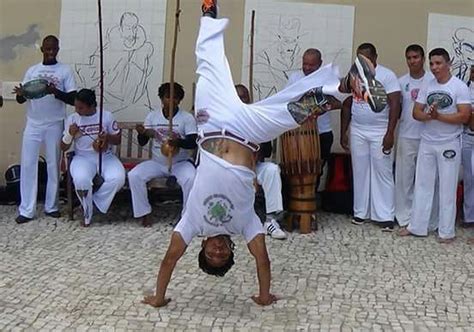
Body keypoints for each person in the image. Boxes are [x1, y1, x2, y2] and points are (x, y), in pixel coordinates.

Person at [142, 0, 383, 308]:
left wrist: (159, 297)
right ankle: (349, 84)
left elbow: (168, 261)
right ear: (231, 250)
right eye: (222, 256)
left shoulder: (192, 223)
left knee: (207, 63)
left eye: (211, 255)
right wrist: (264, 295)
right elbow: (264, 261)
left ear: (201, 248)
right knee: (289, 113)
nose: (217, 252)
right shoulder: (246, 224)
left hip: (212, 124)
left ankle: (208, 10)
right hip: (246, 133)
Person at [399, 48, 471, 243]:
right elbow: (416, 112)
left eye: (438, 63)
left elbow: (464, 116)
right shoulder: (428, 85)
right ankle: (417, 226)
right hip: (428, 141)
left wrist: (439, 116)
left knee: (447, 187)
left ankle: (446, 232)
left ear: (448, 64)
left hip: (449, 143)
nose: (434, 67)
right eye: (432, 64)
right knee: (422, 184)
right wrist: (429, 115)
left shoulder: (459, 87)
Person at [14, 35, 77, 224]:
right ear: (42, 49)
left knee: (53, 164)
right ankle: (26, 209)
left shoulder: (64, 70)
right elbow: (21, 99)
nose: (50, 52)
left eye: (54, 49)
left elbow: (72, 99)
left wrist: (54, 91)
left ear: (58, 49)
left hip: (55, 123)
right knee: (27, 164)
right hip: (33, 122)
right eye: (47, 49)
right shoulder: (32, 71)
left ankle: (52, 206)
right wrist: (21, 94)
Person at [340, 43, 401, 232]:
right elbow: (344, 93)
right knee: (360, 171)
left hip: (380, 130)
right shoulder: (355, 73)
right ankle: (360, 212)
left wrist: (390, 133)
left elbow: (395, 104)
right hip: (358, 129)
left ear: (375, 57)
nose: (362, 60)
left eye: (365, 57)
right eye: (359, 57)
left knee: (382, 171)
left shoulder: (387, 75)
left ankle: (385, 216)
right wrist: (344, 132)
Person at [128, 82, 197, 227]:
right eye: (167, 97)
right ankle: (144, 213)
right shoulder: (153, 117)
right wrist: (142, 133)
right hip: (158, 162)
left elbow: (193, 142)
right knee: (134, 175)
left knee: (191, 178)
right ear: (161, 98)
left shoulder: (187, 118)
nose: (171, 101)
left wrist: (177, 142)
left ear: (180, 100)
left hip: (180, 163)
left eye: (176, 98)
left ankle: (187, 217)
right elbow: (142, 142)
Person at [61, 89, 126, 227]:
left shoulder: (106, 116)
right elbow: (63, 147)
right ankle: (87, 215)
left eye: (81, 107)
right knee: (81, 179)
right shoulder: (72, 119)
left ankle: (94, 203)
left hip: (105, 156)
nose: (77, 110)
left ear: (92, 106)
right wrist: (70, 135)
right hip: (82, 157)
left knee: (118, 178)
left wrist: (107, 137)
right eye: (76, 106)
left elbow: (118, 139)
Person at [235, 84, 287, 240]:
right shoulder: (227, 119)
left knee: (271, 169)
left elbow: (268, 150)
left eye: (244, 97)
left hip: (254, 166)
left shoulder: (258, 118)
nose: (241, 100)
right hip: (233, 167)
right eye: (237, 97)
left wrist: (258, 147)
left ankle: (271, 221)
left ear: (249, 99)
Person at [395, 45, 434, 228]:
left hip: (428, 136)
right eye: (409, 58)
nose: (412, 61)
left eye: (416, 57)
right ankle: (403, 216)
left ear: (423, 58)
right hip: (406, 135)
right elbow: (397, 109)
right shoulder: (401, 82)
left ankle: (423, 217)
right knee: (404, 178)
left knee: (426, 179)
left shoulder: (433, 81)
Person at [287, 49, 334, 189]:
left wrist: (322, 108)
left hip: (322, 132)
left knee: (316, 169)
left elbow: (340, 102)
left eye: (311, 65)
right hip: (299, 133)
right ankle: (295, 202)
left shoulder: (328, 78)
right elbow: (286, 101)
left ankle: (310, 201)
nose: (307, 68)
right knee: (297, 169)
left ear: (320, 63)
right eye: (304, 64)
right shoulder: (295, 78)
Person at [461, 65, 474, 229]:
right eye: (472, 71)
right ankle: (469, 216)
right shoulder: (464, 89)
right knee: (469, 178)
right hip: (467, 137)